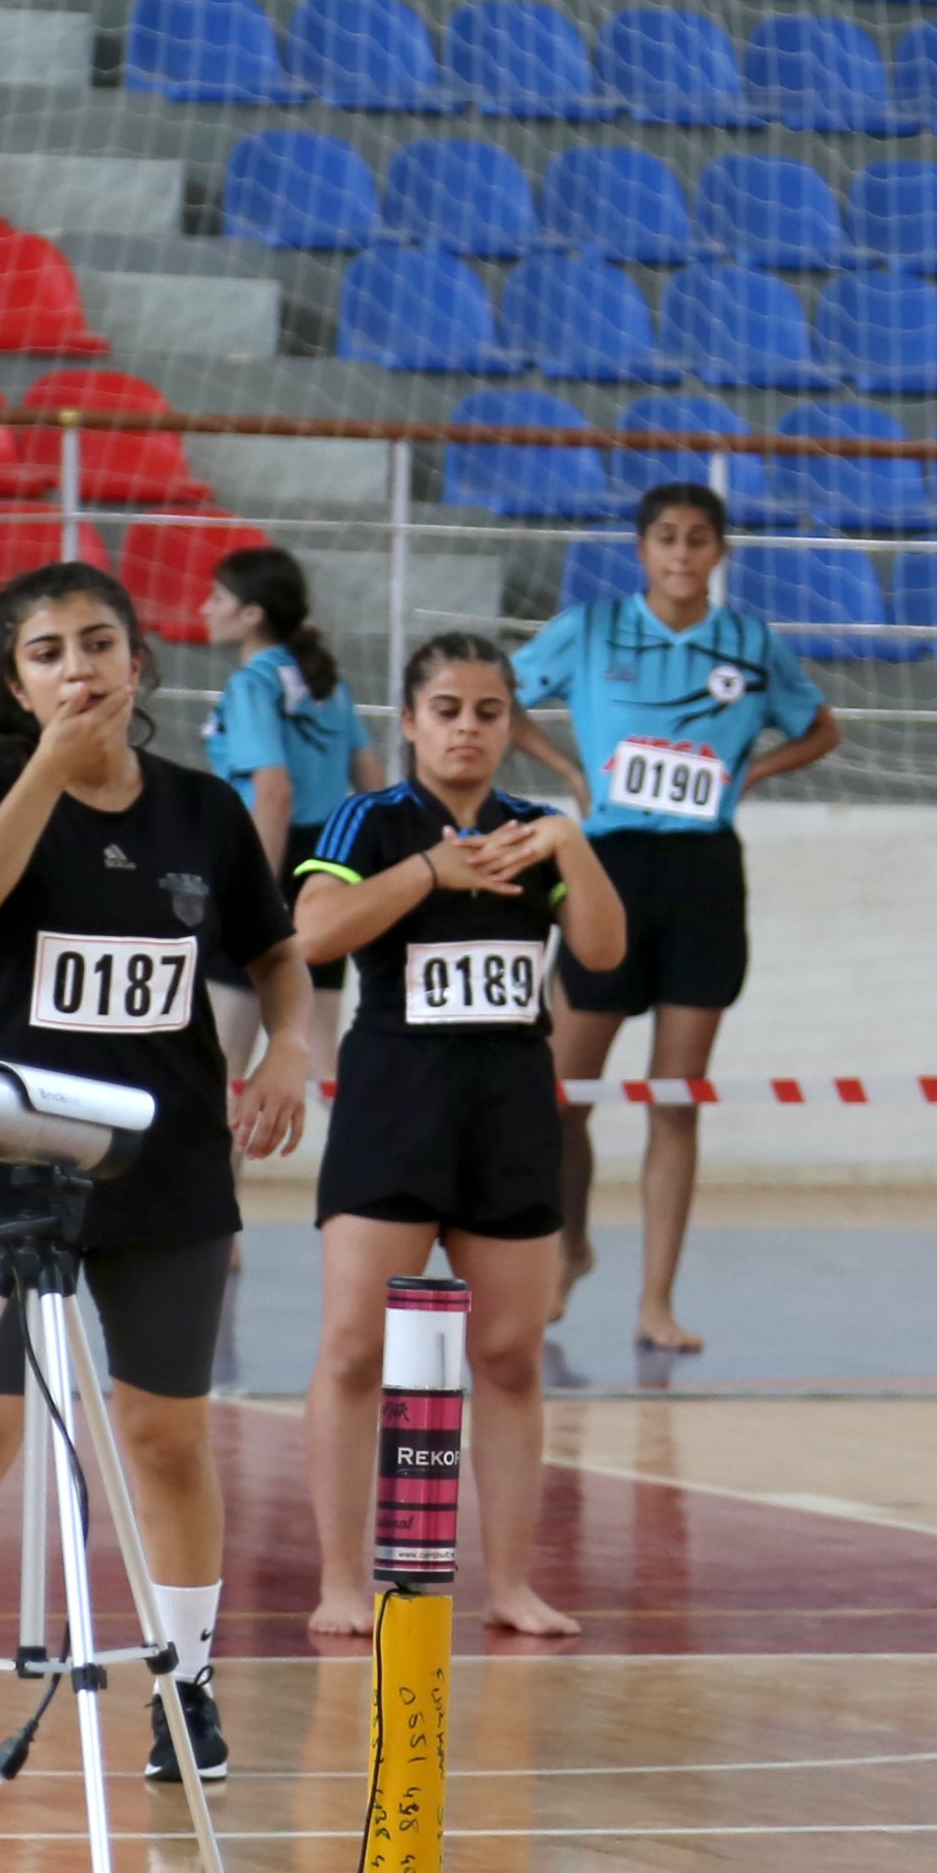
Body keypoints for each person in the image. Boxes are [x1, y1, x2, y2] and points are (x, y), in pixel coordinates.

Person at [0, 563, 314, 1797]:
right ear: (15, 678)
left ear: (140, 662)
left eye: (99, 643)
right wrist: (45, 768)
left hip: (171, 1160)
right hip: (11, 1158)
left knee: (163, 1434)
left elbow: (277, 950)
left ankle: (185, 1687)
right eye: (47, 651)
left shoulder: (201, 813)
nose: (79, 667)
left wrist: (291, 1044)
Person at [292, 633, 626, 1637]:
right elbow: (313, 932)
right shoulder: (372, 819)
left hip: (512, 1108)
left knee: (512, 1355)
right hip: (395, 1105)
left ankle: (512, 1584)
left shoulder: (536, 830)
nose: (467, 729)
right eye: (446, 709)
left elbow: (605, 953)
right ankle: (341, 1578)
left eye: (487, 712)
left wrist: (574, 845)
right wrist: (431, 872)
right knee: (355, 1348)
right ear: (409, 721)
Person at [510, 482, 840, 1357]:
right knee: (558, 1096)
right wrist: (568, 770)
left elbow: (819, 728)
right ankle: (569, 1247)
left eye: (699, 539)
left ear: (719, 552)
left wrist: (753, 777)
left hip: (703, 875)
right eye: (666, 537)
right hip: (605, 867)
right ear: (642, 548)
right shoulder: (590, 628)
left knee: (675, 1101)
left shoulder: (750, 644)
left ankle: (657, 1300)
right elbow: (498, 695)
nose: (683, 554)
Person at [198, 545, 376, 1083]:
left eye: (218, 597)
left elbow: (273, 793)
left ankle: (222, 1172)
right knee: (323, 1060)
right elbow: (372, 786)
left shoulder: (251, 684)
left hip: (269, 858)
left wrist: (253, 888)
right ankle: (361, 1168)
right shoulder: (329, 684)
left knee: (224, 1060)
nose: (205, 607)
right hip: (326, 872)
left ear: (252, 614)